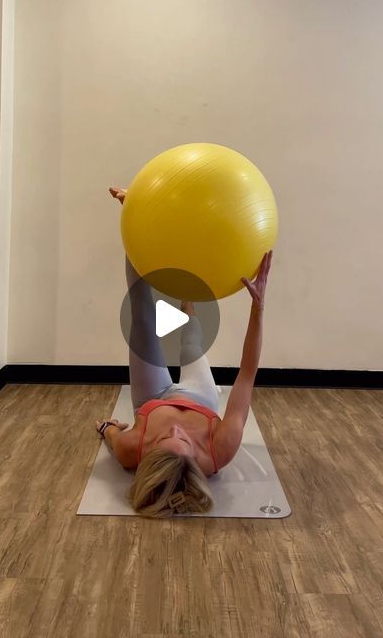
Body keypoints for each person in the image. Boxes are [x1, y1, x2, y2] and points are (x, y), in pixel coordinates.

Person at [95, 186, 273, 517]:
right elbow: (247, 374)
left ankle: (130, 212)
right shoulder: (222, 447)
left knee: (143, 319)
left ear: (149, 456)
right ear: (197, 459)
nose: (177, 430)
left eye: (167, 440)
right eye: (185, 442)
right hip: (200, 398)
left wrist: (108, 428)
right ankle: (187, 301)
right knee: (190, 344)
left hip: (152, 399)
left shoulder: (132, 450)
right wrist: (258, 307)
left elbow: (112, 433)